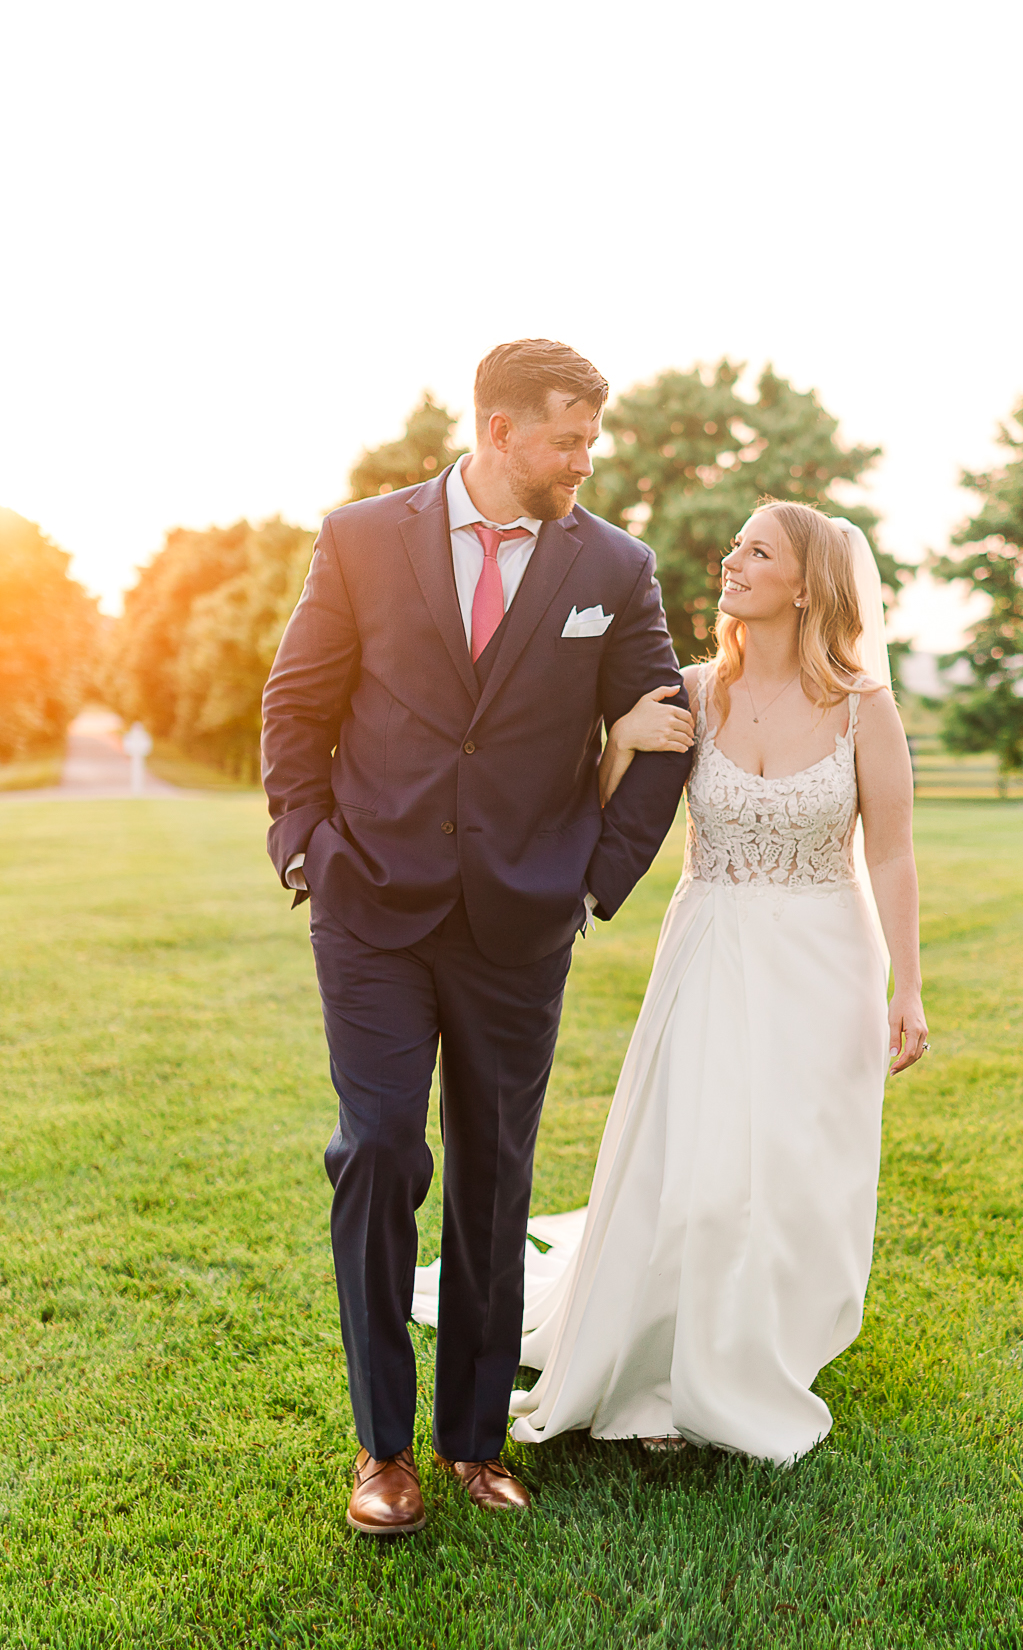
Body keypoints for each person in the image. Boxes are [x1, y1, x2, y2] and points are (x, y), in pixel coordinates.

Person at [260, 340, 691, 1535]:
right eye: (567, 437)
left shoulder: (614, 565)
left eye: (590, 437)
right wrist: (301, 842)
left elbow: (666, 725)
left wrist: (592, 877)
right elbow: (296, 701)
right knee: (379, 1148)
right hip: (371, 908)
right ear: (499, 431)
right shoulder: (361, 539)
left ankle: (470, 1439)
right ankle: (381, 1446)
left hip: (521, 917)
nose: (584, 458)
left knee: (495, 1172)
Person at [414, 499, 928, 1463]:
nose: (732, 561)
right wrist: (618, 742)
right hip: (711, 949)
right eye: (736, 545)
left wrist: (909, 986)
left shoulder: (866, 706)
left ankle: (766, 1350)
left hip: (826, 958)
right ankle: (672, 1365)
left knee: (797, 1172)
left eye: (757, 551)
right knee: (699, 1167)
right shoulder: (692, 692)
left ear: (806, 586)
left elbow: (892, 853)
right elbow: (604, 812)